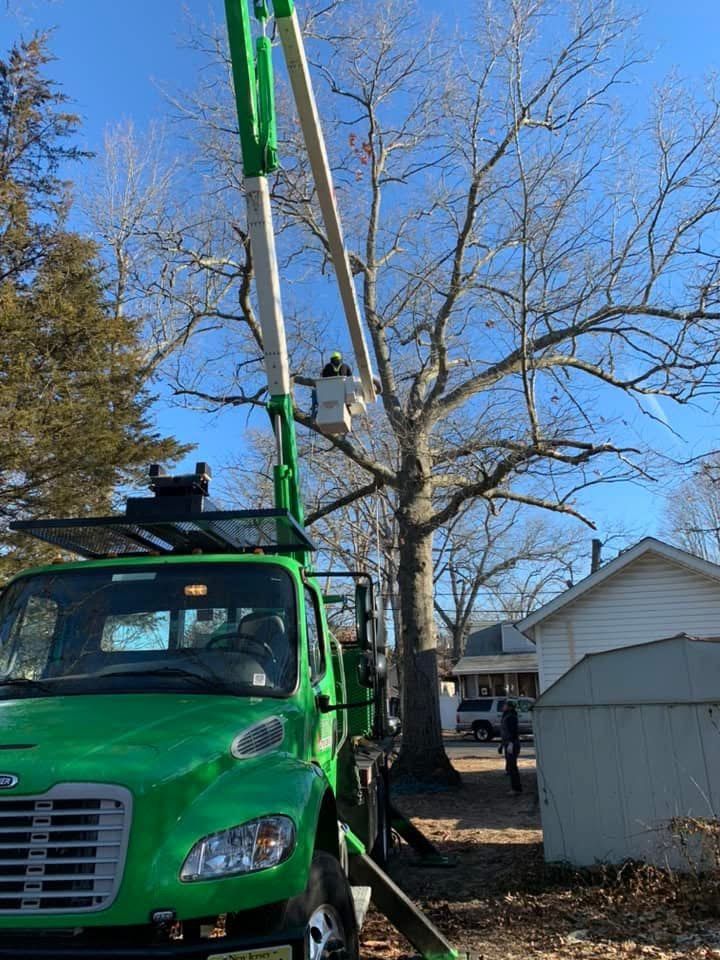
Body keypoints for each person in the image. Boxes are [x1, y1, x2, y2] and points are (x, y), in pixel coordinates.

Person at [500, 700, 522, 795]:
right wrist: (501, 745)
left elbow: (513, 731)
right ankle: (515, 787)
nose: (503, 706)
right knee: (510, 767)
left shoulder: (511, 717)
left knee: (512, 767)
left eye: (505, 705)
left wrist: (511, 743)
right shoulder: (506, 716)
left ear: (509, 707)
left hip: (512, 743)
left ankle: (516, 788)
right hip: (507, 743)